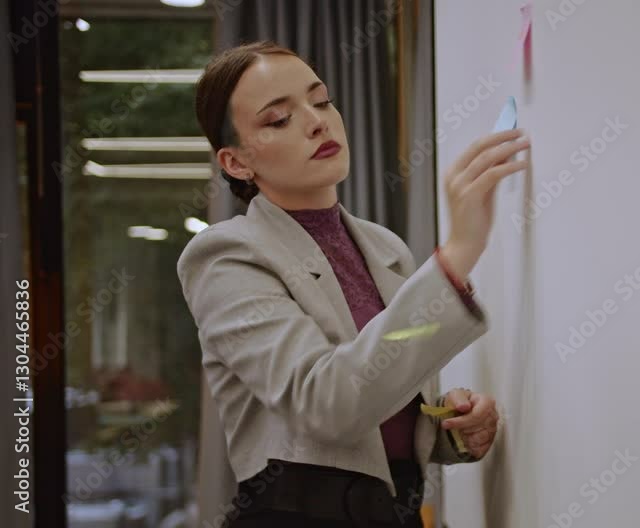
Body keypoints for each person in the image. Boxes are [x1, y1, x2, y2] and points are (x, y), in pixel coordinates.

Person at [177, 41, 531, 527]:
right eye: (278, 119)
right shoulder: (226, 256)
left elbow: (379, 391)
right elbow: (329, 405)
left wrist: (446, 426)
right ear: (237, 163)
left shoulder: (383, 246)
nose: (316, 122)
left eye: (321, 100)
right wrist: (457, 255)